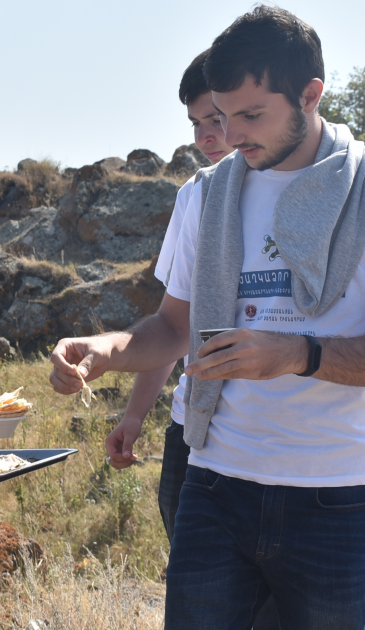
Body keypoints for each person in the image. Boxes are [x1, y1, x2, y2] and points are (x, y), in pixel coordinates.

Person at [49, 8, 365, 630]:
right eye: (222, 115)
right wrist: (106, 351)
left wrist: (298, 354)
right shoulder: (206, 196)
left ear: (312, 95)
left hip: (334, 496)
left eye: (252, 116)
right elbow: (173, 328)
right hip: (216, 484)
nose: (231, 135)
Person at [105, 46, 231, 538]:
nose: (206, 136)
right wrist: (135, 415)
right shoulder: (196, 195)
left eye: (218, 118)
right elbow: (177, 324)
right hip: (193, 426)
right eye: (196, 123)